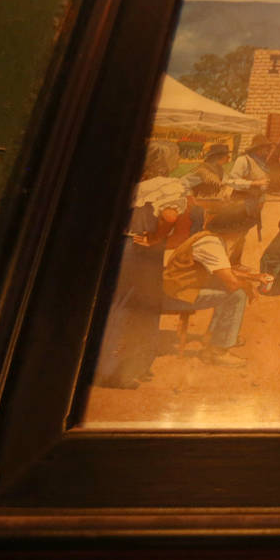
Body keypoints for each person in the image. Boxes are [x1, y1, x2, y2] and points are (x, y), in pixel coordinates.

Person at [94, 141, 187, 388]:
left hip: (122, 246)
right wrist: (158, 237)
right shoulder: (168, 186)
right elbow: (170, 216)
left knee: (117, 305)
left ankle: (105, 367)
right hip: (144, 251)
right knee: (145, 306)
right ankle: (132, 367)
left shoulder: (131, 184)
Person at [162, 203, 265, 367]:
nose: (243, 234)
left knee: (230, 289)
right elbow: (231, 282)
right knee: (236, 295)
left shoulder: (211, 238)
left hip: (181, 286)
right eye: (242, 230)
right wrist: (247, 286)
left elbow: (223, 270)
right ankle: (218, 350)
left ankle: (215, 336)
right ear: (233, 228)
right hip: (177, 293)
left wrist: (253, 276)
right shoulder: (211, 244)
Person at [229, 134, 272, 240]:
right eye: (266, 148)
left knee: (245, 231)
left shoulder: (261, 162)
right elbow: (232, 181)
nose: (268, 150)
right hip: (243, 201)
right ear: (258, 148)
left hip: (256, 201)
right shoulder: (243, 160)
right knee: (237, 232)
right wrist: (254, 183)